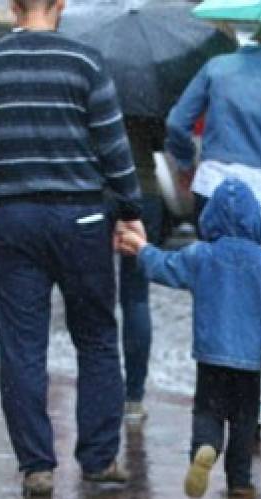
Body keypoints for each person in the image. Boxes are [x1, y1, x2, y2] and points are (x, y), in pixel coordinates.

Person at [0, 0, 145, 498]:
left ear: (11, 6)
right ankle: (100, 457)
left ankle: (37, 465)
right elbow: (113, 145)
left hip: (13, 218)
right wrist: (129, 207)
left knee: (22, 345)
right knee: (97, 337)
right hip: (82, 215)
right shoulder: (85, 63)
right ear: (60, 5)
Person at [165, 8, 261, 425]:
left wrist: (186, 161)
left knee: (217, 289)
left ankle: (220, 398)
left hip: (212, 188)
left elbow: (177, 121)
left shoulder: (217, 67)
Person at [116, 179, 261, 499]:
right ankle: (240, 481)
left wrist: (142, 249)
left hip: (210, 355)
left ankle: (205, 448)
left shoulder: (201, 255)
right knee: (244, 418)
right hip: (248, 361)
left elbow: (165, 267)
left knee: (208, 411)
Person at [117, 116, 168, 426]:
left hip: (94, 194)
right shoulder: (145, 92)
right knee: (136, 299)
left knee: (93, 301)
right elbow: (164, 140)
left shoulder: (91, 78)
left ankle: (103, 392)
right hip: (142, 191)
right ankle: (133, 397)